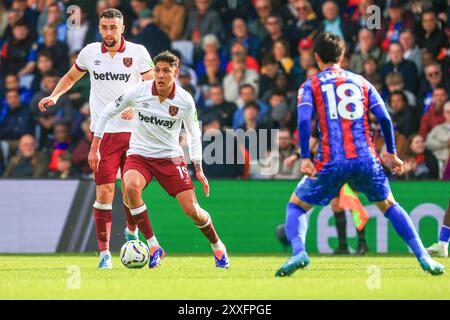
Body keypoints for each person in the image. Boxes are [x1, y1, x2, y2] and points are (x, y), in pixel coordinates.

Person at [275, 32, 444, 277]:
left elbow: (303, 119)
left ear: (316, 57)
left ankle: (299, 252)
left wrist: (304, 157)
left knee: (297, 207)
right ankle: (424, 256)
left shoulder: (310, 84)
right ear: (342, 56)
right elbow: (385, 117)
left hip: (331, 160)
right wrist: (393, 154)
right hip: (366, 158)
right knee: (389, 205)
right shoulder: (362, 82)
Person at [37, 8, 155, 269]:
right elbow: (71, 76)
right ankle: (104, 254)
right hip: (103, 134)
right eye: (105, 27)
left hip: (135, 133)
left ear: (122, 28)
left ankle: (132, 234)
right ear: (99, 28)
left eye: (114, 27)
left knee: (132, 191)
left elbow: (153, 87)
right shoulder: (90, 52)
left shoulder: (138, 53)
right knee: (104, 192)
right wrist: (55, 95)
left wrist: (136, 107)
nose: (109, 32)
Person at [90, 51, 230, 269]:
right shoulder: (138, 91)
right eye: (158, 70)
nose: (161, 75)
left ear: (176, 72)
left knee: (193, 210)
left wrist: (199, 168)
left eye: (166, 71)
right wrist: (95, 147)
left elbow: (194, 134)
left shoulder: (184, 101)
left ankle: (218, 246)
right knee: (130, 186)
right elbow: (107, 112)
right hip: (139, 155)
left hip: (170, 158)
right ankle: (154, 245)